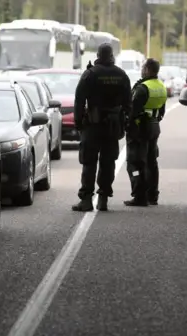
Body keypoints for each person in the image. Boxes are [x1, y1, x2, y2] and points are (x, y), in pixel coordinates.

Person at [71, 43, 131, 212]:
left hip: (92, 125)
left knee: (89, 162)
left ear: (98, 55)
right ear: (111, 56)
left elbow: (79, 100)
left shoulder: (90, 74)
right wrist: (125, 122)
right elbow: (128, 102)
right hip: (113, 126)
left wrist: (78, 122)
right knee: (108, 162)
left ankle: (87, 200)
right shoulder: (121, 75)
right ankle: (103, 198)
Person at [124, 58, 167, 206]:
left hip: (140, 129)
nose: (142, 70)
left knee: (134, 164)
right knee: (151, 162)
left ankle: (139, 195)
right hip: (154, 127)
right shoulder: (161, 86)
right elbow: (161, 111)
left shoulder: (142, 88)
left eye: (143, 68)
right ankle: (152, 195)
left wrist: (128, 127)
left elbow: (132, 110)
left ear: (148, 69)